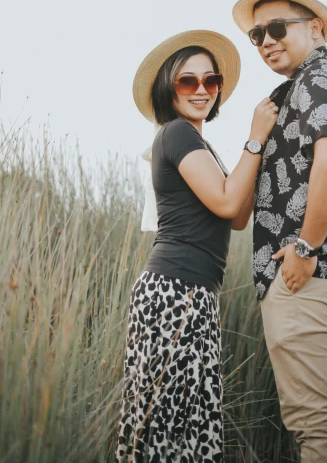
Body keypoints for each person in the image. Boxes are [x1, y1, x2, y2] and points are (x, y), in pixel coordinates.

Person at [115, 29, 277, 462]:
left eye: (211, 80)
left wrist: (258, 153)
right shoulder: (176, 134)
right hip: (173, 293)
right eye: (188, 81)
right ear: (169, 88)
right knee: (167, 426)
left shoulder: (201, 143)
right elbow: (227, 200)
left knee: (186, 424)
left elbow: (238, 216)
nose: (202, 90)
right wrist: (255, 136)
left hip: (196, 294)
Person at [232, 0, 327, 463]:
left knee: (315, 427)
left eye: (278, 29)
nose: (266, 42)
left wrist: (307, 249)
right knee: (316, 422)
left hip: (310, 276)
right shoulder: (309, 84)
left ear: (314, 28)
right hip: (319, 275)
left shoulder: (317, 79)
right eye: (257, 35)